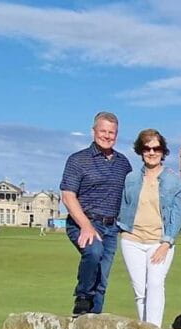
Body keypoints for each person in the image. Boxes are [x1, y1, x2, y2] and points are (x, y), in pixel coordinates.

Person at [60, 111, 132, 315]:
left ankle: (93, 320)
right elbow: (68, 196)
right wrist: (86, 226)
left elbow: (130, 196)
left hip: (111, 226)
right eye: (103, 131)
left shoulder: (123, 163)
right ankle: (82, 296)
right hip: (84, 222)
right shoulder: (78, 160)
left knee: (102, 277)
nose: (107, 136)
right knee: (93, 252)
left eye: (112, 132)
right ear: (94, 132)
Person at [117, 129, 181, 327]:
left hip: (159, 241)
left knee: (155, 285)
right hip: (132, 240)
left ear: (163, 151)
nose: (152, 152)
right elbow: (124, 205)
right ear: (141, 151)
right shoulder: (130, 178)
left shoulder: (173, 180)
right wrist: (123, 230)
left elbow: (176, 214)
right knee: (140, 291)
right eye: (147, 148)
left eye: (156, 148)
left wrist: (167, 242)